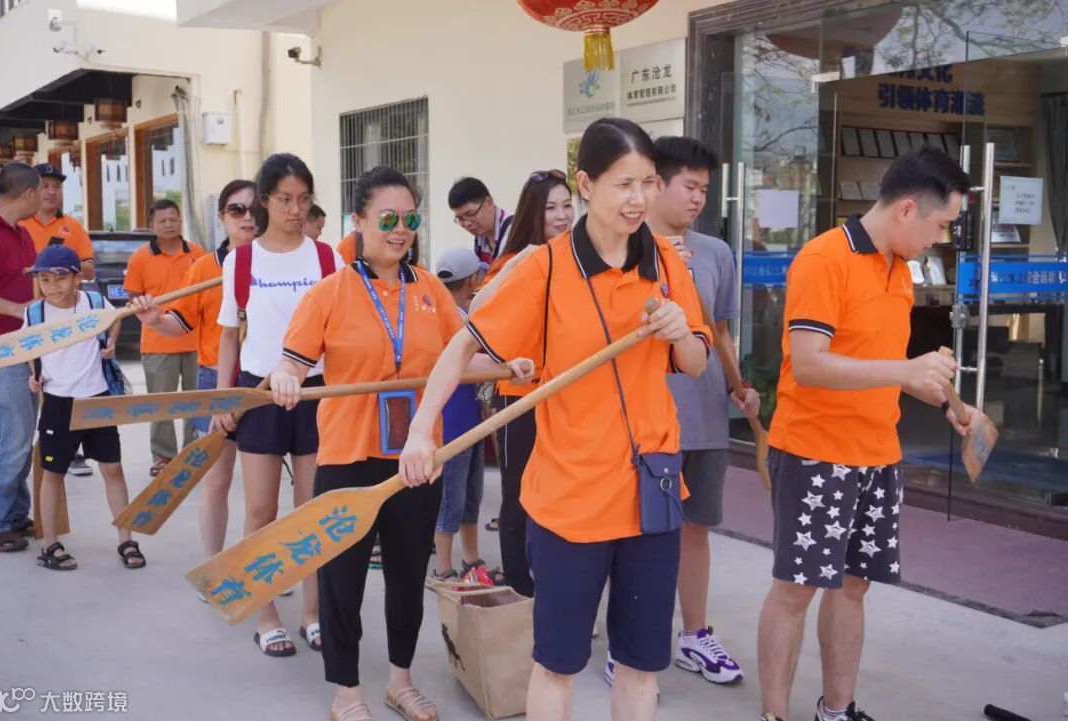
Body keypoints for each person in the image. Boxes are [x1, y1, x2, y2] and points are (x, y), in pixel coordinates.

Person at [401, 117, 711, 721]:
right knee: (557, 664)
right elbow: (461, 346)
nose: (639, 199)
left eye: (648, 183)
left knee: (641, 665)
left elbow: (695, 363)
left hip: (652, 489)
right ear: (587, 185)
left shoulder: (666, 263)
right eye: (625, 184)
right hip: (570, 499)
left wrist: (679, 329)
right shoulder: (543, 269)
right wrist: (421, 431)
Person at [271, 165, 531, 721]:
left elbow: (462, 359)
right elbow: (291, 363)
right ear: (359, 220)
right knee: (341, 580)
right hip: (347, 457)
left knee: (409, 575)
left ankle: (400, 681)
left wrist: (509, 365)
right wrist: (287, 379)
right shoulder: (328, 293)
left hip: (417, 459)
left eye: (410, 220)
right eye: (388, 219)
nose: (400, 230)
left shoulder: (431, 290)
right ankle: (346, 692)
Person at [756, 148, 986, 721]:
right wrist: (905, 372)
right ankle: (774, 714)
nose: (940, 239)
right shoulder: (823, 259)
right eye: (940, 225)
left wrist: (946, 400)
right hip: (814, 452)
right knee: (796, 589)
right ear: (907, 209)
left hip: (878, 453)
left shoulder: (899, 268)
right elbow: (810, 363)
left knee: (854, 586)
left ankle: (837, 710)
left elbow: (880, 363)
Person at [643, 135, 759, 686]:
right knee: (641, 534)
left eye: (705, 190)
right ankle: (633, 640)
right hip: (648, 418)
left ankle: (694, 636)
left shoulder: (716, 253)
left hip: (707, 416)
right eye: (689, 186)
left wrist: (737, 384)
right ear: (657, 184)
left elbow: (720, 331)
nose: (697, 199)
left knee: (696, 530)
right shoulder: (624, 251)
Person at [216, 153, 341, 658]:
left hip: (315, 391)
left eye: (304, 199)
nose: (295, 209)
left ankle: (313, 613)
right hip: (259, 392)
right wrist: (224, 399)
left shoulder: (328, 259)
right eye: (285, 199)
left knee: (311, 510)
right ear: (264, 200)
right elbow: (229, 336)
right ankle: (265, 615)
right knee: (261, 509)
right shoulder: (241, 261)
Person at [132, 180, 258, 566]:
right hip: (214, 380)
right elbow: (181, 323)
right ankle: (213, 566)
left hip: (264, 382)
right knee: (216, 480)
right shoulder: (204, 267)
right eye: (236, 210)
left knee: (261, 489)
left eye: (255, 209)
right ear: (221, 217)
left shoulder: (277, 262)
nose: (247, 217)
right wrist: (155, 320)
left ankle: (256, 565)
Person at [468, 168, 575, 597]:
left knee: (562, 495)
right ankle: (519, 588)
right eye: (551, 208)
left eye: (567, 205)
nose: (562, 215)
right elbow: (479, 309)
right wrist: (521, 262)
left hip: (569, 396)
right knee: (520, 496)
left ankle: (556, 585)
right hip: (521, 398)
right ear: (533, 213)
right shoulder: (516, 259)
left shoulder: (578, 257)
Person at [23, 246, 145, 571]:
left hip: (97, 399)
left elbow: (115, 318)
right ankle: (50, 544)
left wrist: (110, 342)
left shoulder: (93, 302)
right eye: (44, 279)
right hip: (58, 403)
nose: (51, 287)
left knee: (113, 469)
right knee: (53, 473)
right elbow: (27, 349)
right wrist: (33, 376)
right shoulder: (35, 313)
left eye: (59, 278)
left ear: (77, 277)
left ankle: (126, 539)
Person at [20, 163, 97, 478]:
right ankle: (36, 452)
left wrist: (60, 264)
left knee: (66, 379)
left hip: (65, 317)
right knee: (33, 386)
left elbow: (89, 270)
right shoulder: (20, 224)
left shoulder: (72, 226)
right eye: (45, 186)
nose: (51, 192)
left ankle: (72, 450)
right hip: (29, 314)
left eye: (56, 186)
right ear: (32, 191)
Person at [431, 246, 496, 586]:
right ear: (472, 280)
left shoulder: (445, 314)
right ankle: (444, 567)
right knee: (453, 499)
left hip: (464, 420)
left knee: (468, 495)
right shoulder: (458, 319)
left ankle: (471, 559)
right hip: (456, 423)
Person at [124, 199, 202, 477]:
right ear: (152, 225)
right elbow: (133, 298)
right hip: (157, 343)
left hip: (195, 341)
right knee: (160, 404)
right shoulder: (140, 258)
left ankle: (195, 453)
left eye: (173, 219)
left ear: (180, 221)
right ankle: (163, 457)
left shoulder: (197, 253)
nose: (168, 224)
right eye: (162, 221)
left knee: (197, 403)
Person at [0, 162, 42, 553]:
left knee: (21, 437)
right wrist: (18, 310)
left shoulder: (23, 234)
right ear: (28, 193)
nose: (46, 198)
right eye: (41, 191)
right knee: (14, 438)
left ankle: (15, 513)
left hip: (28, 348)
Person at [448, 177, 513, 264]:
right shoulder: (481, 236)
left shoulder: (514, 231)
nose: (467, 224)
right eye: (460, 218)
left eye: (470, 214)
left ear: (488, 203)